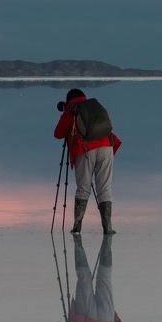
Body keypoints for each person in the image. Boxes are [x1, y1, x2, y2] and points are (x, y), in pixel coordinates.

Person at [53, 88, 121, 234]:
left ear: (69, 98)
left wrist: (66, 114)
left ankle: (77, 227)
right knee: (104, 187)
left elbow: (57, 134)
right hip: (107, 146)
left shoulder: (71, 109)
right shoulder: (94, 105)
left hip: (85, 150)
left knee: (83, 188)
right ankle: (108, 228)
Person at [55, 235, 121, 322]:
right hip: (86, 319)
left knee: (105, 277)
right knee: (84, 277)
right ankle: (77, 240)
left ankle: (107, 239)